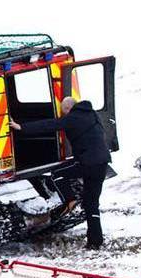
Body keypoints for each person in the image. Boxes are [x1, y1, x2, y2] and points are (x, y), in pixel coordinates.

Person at [10, 96, 111, 249]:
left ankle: (70, 200)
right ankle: (95, 242)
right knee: (92, 204)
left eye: (63, 111)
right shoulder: (92, 114)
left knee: (57, 174)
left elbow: (50, 125)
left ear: (67, 109)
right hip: (102, 163)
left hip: (87, 162)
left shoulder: (73, 118)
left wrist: (21, 127)